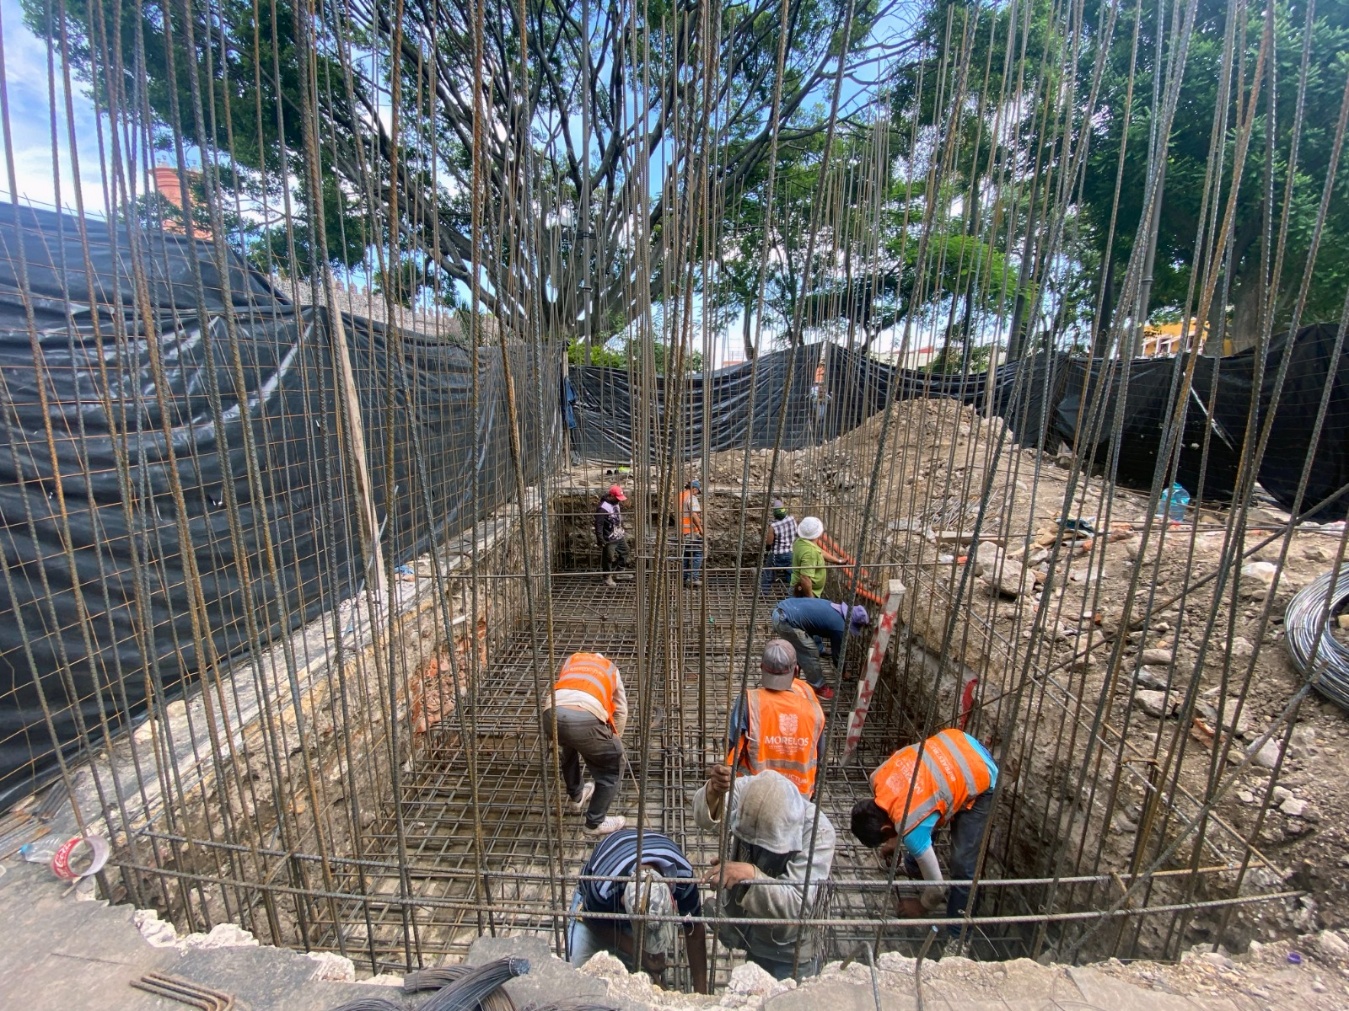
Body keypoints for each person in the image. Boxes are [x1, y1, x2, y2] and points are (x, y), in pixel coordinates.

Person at [694, 767, 835, 980]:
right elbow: (705, 820)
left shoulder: (818, 833)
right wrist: (713, 793)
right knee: (759, 988)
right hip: (754, 931)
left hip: (790, 948)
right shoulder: (746, 790)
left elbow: (799, 902)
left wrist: (749, 873)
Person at [850, 728, 998, 929]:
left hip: (979, 772)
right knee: (927, 811)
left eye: (885, 838)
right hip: (957, 741)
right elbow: (904, 808)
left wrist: (921, 906)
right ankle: (914, 867)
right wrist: (895, 838)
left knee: (963, 864)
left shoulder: (911, 827)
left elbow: (937, 888)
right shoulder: (878, 776)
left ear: (886, 829)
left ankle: (958, 935)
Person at [568, 828, 709, 992]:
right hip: (593, 912)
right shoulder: (603, 888)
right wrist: (641, 955)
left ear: (672, 899)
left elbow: (694, 931)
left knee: (635, 988)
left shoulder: (682, 877)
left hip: (628, 868)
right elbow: (593, 922)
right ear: (623, 903)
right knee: (578, 981)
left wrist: (702, 995)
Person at [542, 651, 629, 836]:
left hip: (551, 713)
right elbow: (621, 710)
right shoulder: (611, 669)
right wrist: (614, 739)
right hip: (585, 716)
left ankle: (577, 796)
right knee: (612, 766)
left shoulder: (572, 660)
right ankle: (594, 823)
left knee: (568, 746)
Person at [726, 640, 825, 797]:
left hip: (756, 794)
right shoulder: (810, 699)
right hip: (800, 797)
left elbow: (732, 747)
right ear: (796, 671)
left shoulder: (749, 702)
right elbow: (819, 754)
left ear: (761, 668)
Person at [769, 596, 870, 702]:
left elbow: (811, 625)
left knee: (801, 647)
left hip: (782, 610)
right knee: (810, 652)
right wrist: (843, 671)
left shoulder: (831, 606)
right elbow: (838, 655)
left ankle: (793, 675)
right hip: (786, 621)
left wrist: (820, 648)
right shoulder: (840, 627)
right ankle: (818, 686)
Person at [595, 484, 630, 587]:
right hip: (609, 537)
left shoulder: (615, 502)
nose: (619, 500)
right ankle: (607, 577)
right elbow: (599, 525)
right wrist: (600, 539)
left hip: (618, 534)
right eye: (617, 498)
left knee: (625, 551)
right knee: (608, 557)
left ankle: (619, 571)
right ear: (611, 496)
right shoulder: (603, 508)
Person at [761, 500, 797, 596]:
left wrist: (768, 549)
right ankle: (792, 593)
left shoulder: (773, 526)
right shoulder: (792, 519)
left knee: (769, 572)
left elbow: (769, 542)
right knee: (791, 573)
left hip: (777, 555)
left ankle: (764, 592)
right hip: (790, 552)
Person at [790, 516, 827, 597]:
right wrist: (811, 601)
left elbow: (820, 552)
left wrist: (838, 561)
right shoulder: (810, 552)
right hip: (805, 593)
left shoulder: (800, 541)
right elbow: (805, 578)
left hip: (798, 588)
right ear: (819, 533)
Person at [679, 479, 704, 588]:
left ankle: (684, 577)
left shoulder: (679, 496)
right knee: (698, 553)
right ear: (694, 489)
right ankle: (693, 578)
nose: (697, 494)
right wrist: (700, 529)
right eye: (697, 491)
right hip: (691, 532)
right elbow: (693, 515)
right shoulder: (691, 498)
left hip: (681, 532)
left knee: (686, 554)